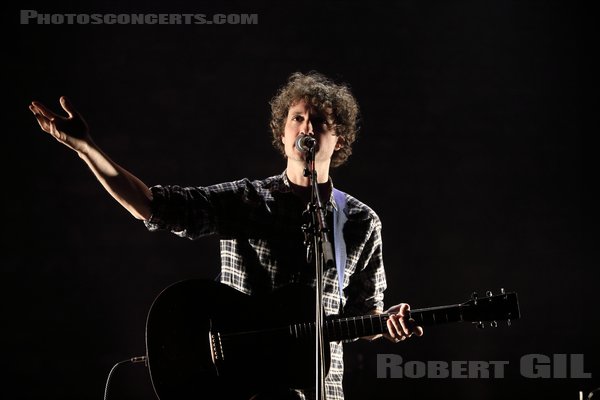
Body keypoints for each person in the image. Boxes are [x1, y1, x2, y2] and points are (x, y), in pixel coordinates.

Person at [29, 71, 423, 400]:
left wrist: (385, 322)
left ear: (338, 140)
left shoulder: (360, 220)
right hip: (242, 388)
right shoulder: (250, 200)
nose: (307, 128)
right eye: (297, 118)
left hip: (318, 387)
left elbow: (363, 315)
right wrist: (86, 148)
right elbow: (153, 206)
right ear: (283, 134)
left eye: (319, 122)